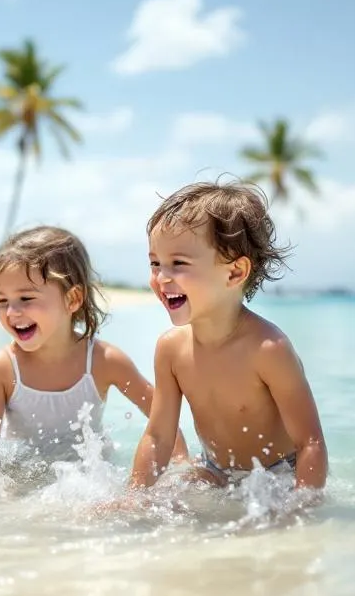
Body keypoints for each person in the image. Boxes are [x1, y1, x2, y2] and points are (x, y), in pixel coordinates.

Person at [129, 180, 328, 493]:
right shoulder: (170, 349)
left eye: (178, 263)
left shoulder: (268, 349)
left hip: (278, 475)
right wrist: (134, 495)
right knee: (175, 493)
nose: (161, 277)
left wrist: (299, 510)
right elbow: (159, 437)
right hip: (215, 470)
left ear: (234, 273)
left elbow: (310, 443)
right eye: (155, 263)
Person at [0, 226, 189, 465]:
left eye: (26, 298)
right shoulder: (1, 368)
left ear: (72, 299)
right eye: (2, 300)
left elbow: (162, 418)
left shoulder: (104, 361)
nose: (12, 312)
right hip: (25, 475)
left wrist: (181, 464)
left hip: (89, 476)